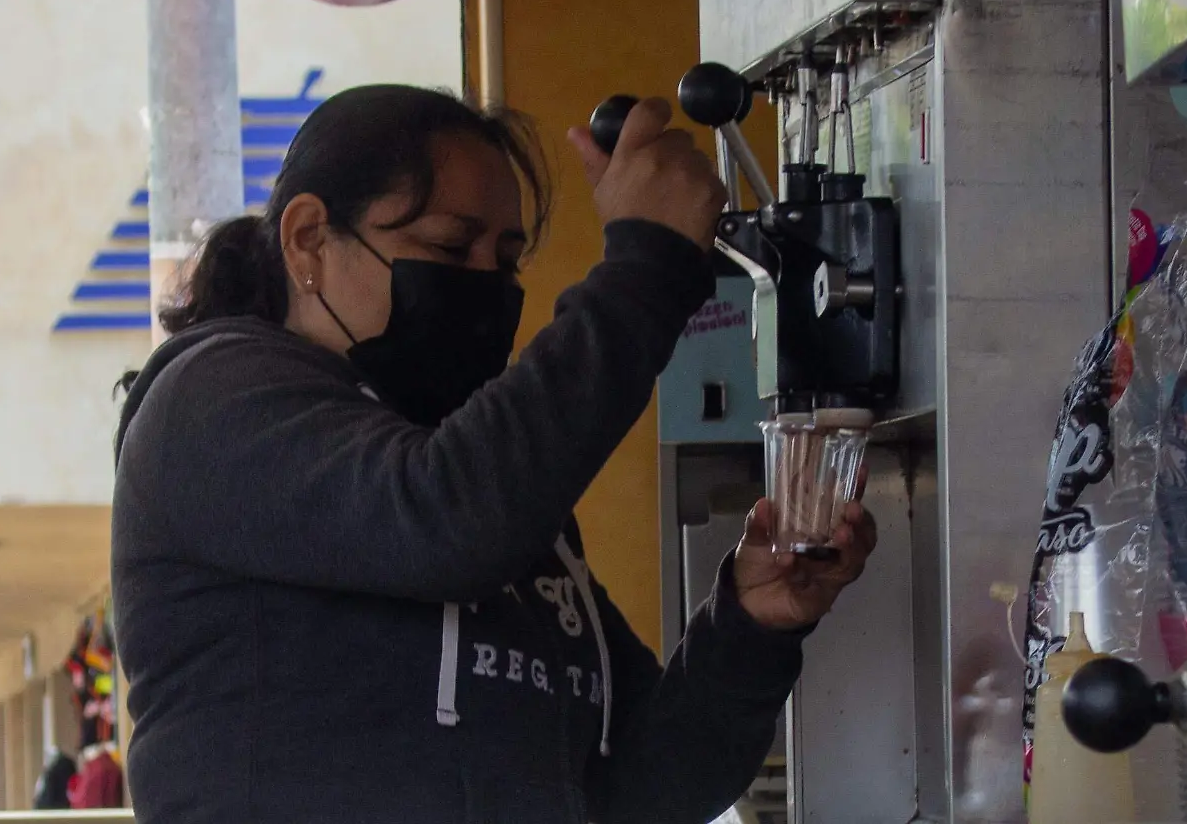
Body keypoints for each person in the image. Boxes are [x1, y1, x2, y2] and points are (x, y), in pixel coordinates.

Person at [112, 85, 877, 824]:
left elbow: (646, 790)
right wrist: (646, 267)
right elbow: (445, 521)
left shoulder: (485, 489)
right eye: (449, 246)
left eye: (504, 260)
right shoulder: (212, 400)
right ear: (309, 238)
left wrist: (750, 624)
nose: (482, 284)